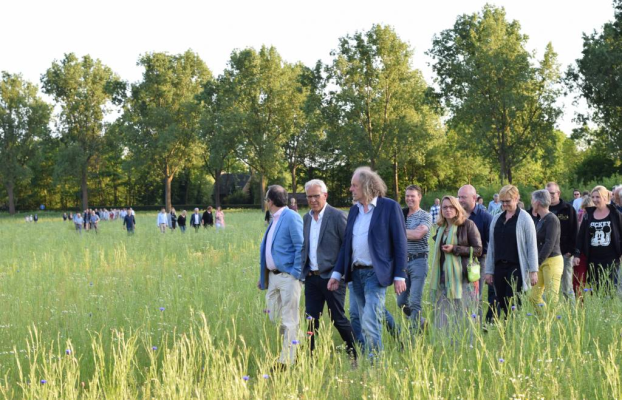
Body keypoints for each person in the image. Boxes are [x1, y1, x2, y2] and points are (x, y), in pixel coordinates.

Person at [328, 167, 407, 356]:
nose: (350, 189)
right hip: (355, 274)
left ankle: (375, 364)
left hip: (376, 274)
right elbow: (347, 245)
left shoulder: (389, 207)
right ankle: (371, 353)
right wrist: (337, 274)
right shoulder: (354, 211)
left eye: (354, 185)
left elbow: (400, 242)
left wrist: (399, 275)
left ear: (367, 186)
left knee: (370, 319)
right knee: (361, 317)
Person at [301, 179, 356, 359]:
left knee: (337, 319)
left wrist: (339, 274)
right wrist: (303, 271)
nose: (313, 200)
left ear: (325, 195)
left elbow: (347, 246)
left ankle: (354, 352)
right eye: (309, 197)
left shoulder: (337, 215)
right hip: (312, 277)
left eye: (316, 196)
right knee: (310, 320)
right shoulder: (307, 218)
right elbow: (306, 246)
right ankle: (309, 356)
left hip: (332, 277)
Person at [258, 185, 304, 369]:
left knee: (289, 319)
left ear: (270, 201)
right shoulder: (274, 219)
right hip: (273, 278)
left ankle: (286, 361)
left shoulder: (291, 217)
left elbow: (301, 245)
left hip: (288, 277)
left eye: (266, 199)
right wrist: (264, 275)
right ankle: (300, 345)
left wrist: (295, 273)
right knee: (273, 316)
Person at [429, 196, 482, 334]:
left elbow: (478, 250)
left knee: (464, 316)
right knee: (442, 317)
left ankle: (467, 346)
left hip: (462, 279)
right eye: (444, 207)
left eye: (451, 206)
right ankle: (446, 347)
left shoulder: (468, 225)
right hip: (444, 279)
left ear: (457, 208)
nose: (448, 210)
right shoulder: (441, 228)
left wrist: (455, 248)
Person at [485, 185, 538, 318]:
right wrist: (489, 270)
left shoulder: (525, 219)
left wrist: (533, 270)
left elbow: (532, 245)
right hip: (499, 267)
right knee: (501, 300)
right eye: (502, 201)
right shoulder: (496, 219)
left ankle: (514, 328)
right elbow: (491, 246)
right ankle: (508, 327)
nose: (504, 204)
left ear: (516, 198)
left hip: (516, 267)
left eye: (507, 201)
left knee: (513, 300)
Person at [574, 185, 622, 291]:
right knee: (595, 289)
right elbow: (581, 236)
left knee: (610, 288)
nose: (595, 200)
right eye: (593, 197)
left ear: (605, 198)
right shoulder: (588, 215)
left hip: (611, 258)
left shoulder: (615, 214)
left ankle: (609, 308)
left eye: (598, 197)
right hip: (593, 258)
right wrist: (577, 254)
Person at [457, 185, 494, 323]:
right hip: (456, 261)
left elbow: (492, 244)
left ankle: (475, 329)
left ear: (474, 198)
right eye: (459, 197)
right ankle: (461, 326)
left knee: (474, 296)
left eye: (463, 197)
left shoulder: (485, 217)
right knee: (458, 296)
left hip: (477, 263)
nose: (460, 200)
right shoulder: (455, 215)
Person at [397, 184, 432, 331]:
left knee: (415, 301)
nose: (409, 198)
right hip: (403, 263)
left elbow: (418, 235)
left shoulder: (425, 216)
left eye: (413, 196)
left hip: (419, 261)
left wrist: (396, 231)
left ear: (419, 197)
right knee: (401, 302)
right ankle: (421, 321)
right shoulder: (401, 214)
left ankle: (414, 336)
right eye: (407, 196)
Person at [529, 190, 563, 309]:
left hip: (552, 261)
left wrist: (536, 263)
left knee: (551, 297)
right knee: (533, 297)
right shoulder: (540, 220)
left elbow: (550, 243)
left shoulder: (551, 219)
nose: (531, 203)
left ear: (538, 203)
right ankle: (545, 320)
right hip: (541, 261)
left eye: (532, 200)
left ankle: (555, 324)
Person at [546, 182, 578, 302]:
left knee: (566, 286)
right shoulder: (542, 209)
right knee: (548, 288)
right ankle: (550, 312)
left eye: (552, 193)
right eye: (547, 194)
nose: (550, 196)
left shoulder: (568, 209)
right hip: (546, 254)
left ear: (558, 193)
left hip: (564, 253)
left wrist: (571, 250)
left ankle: (571, 312)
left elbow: (575, 230)